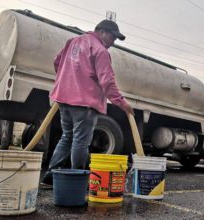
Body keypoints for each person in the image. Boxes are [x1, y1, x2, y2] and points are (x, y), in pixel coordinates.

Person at [41, 19, 134, 185]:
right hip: (84, 102)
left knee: (67, 136)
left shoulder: (73, 42)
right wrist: (122, 103)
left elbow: (57, 62)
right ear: (102, 32)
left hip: (64, 98)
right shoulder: (100, 50)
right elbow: (107, 81)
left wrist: (68, 80)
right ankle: (78, 178)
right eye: (113, 37)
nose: (113, 43)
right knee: (80, 141)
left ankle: (51, 173)